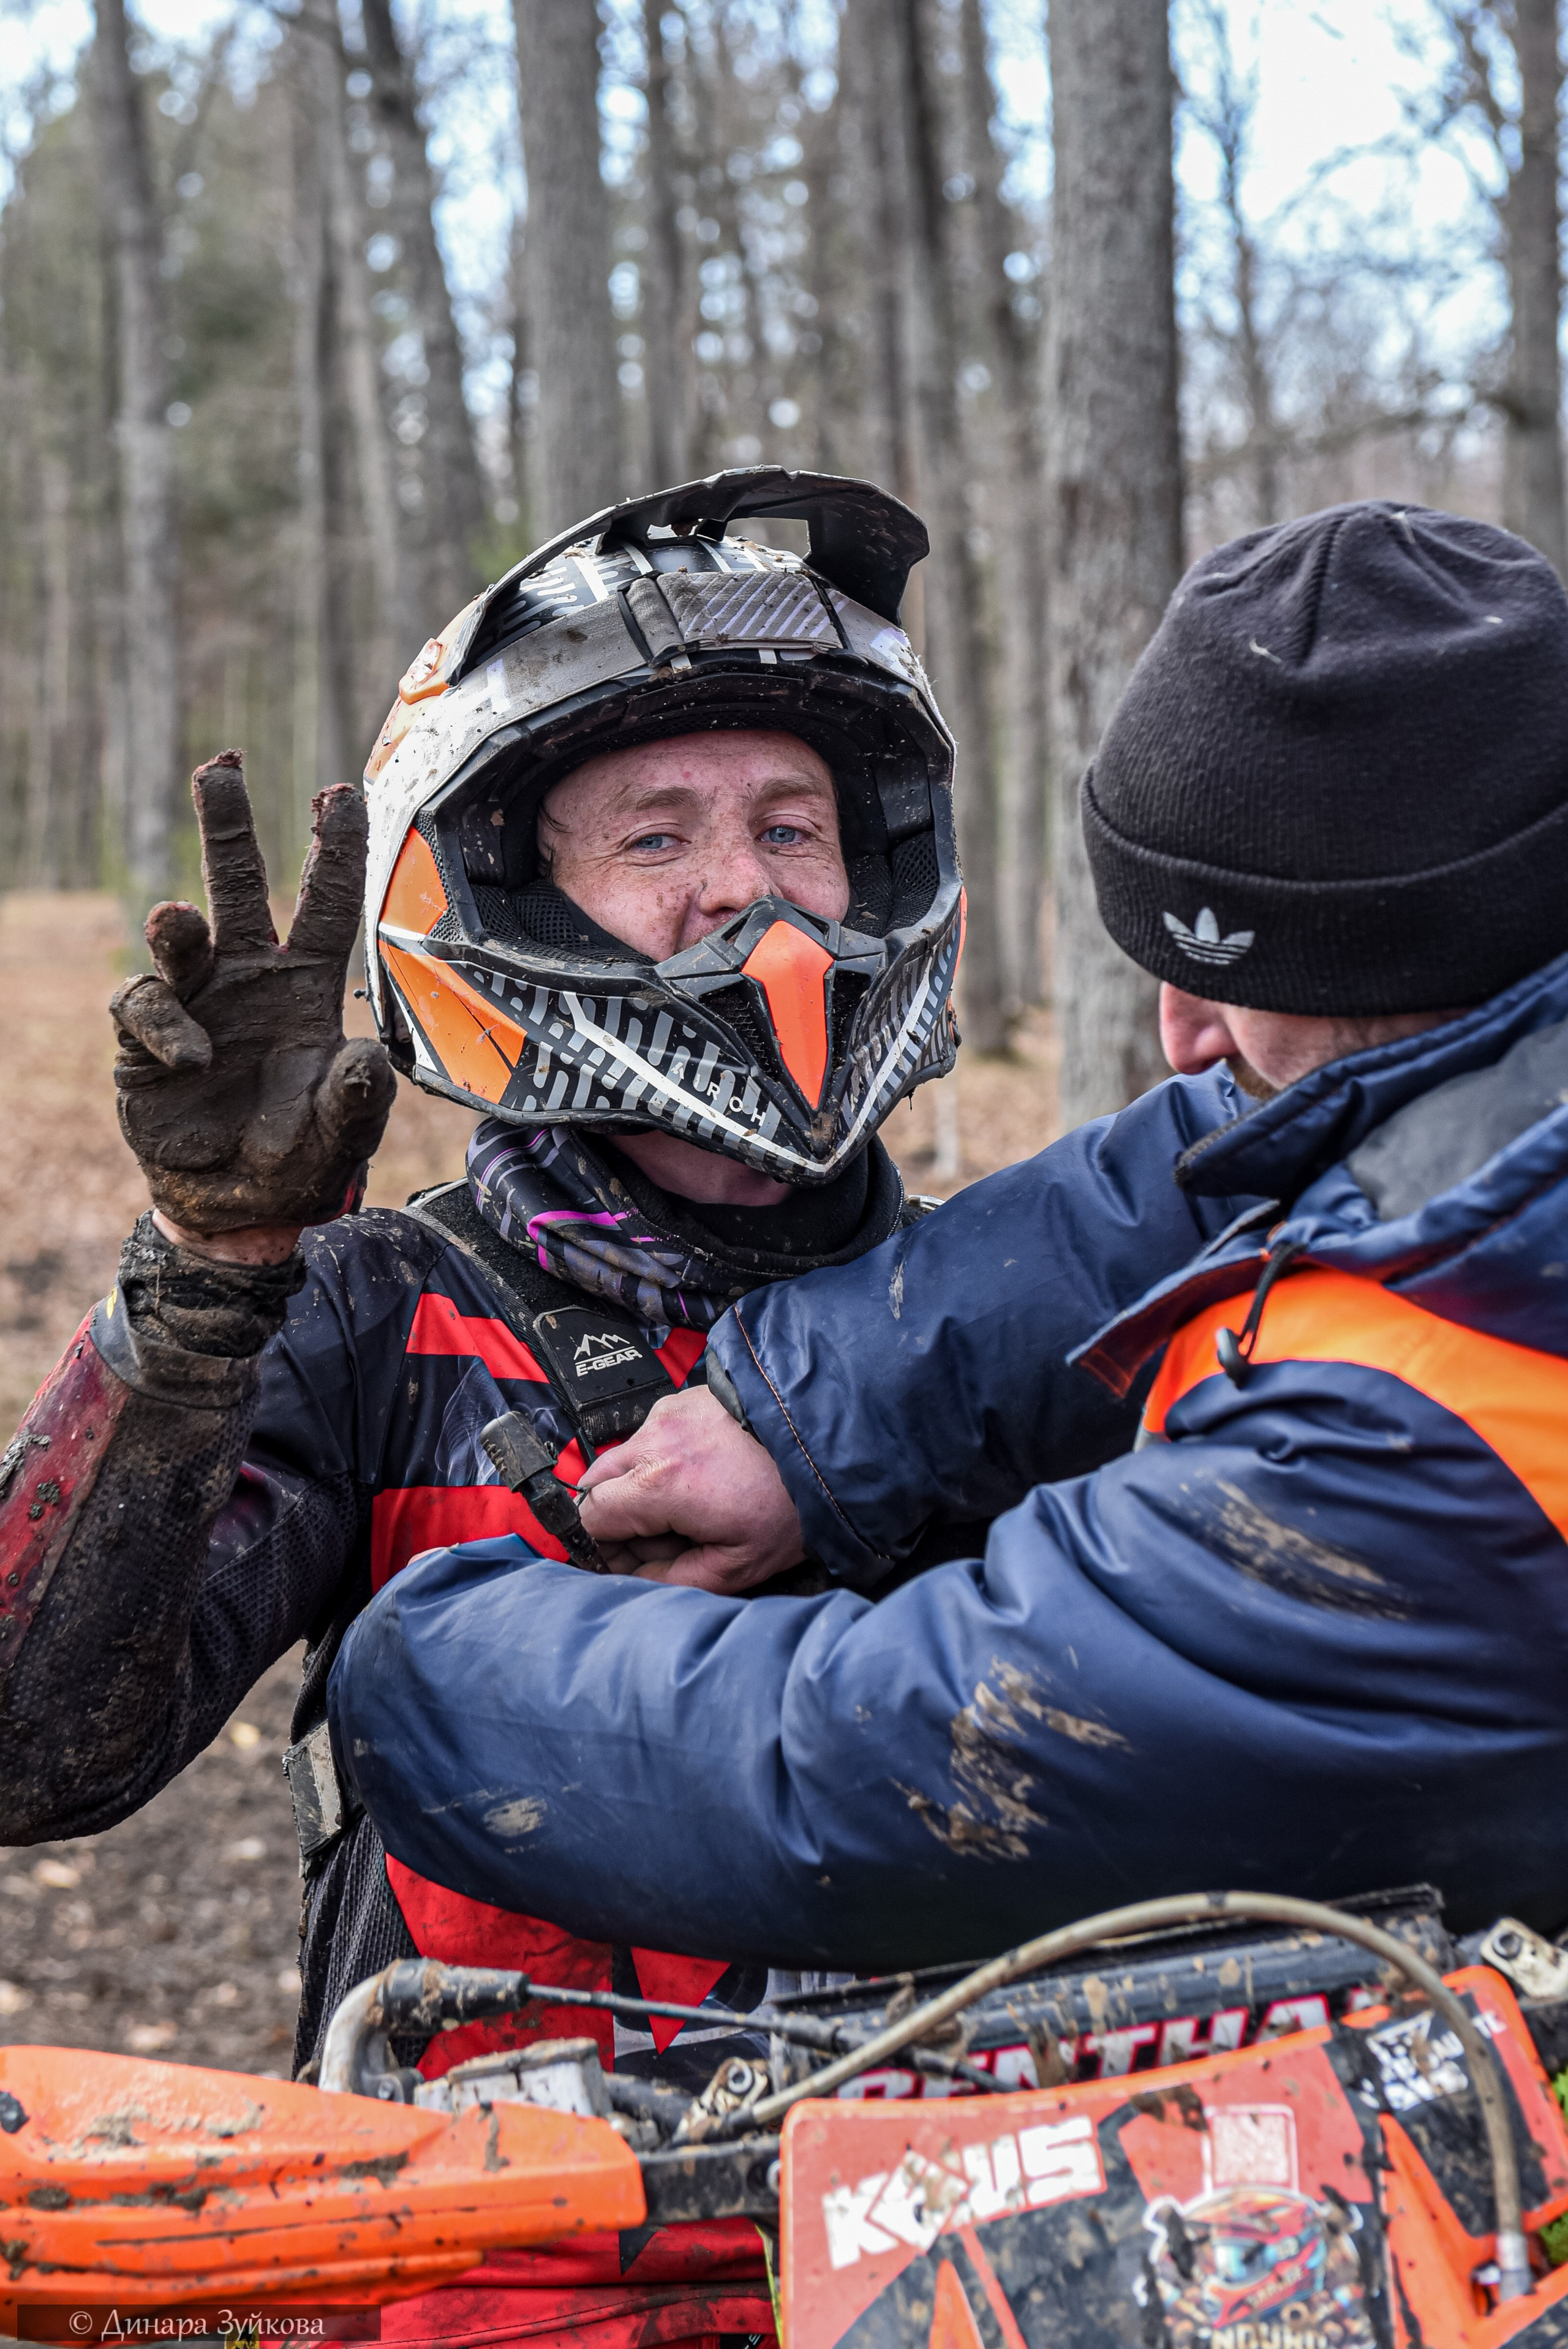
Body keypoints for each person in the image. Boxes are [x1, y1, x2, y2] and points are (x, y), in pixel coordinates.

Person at [0, 467, 974, 2349]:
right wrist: (211, 1275)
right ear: (529, 897)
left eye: (794, 822)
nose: (748, 888)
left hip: (926, 2258)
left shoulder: (992, 1318)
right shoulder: (390, 1311)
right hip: (470, 2277)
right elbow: (36, 1747)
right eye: (659, 837)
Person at [329, 499, 1568, 1977]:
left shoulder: (1442, 1417)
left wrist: (421, 1672)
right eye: (654, 838)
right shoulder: (385, 1308)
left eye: (1237, 967)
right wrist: (813, 1405)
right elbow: (1201, 1165)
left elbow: (898, 1764)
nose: (1181, 1043)